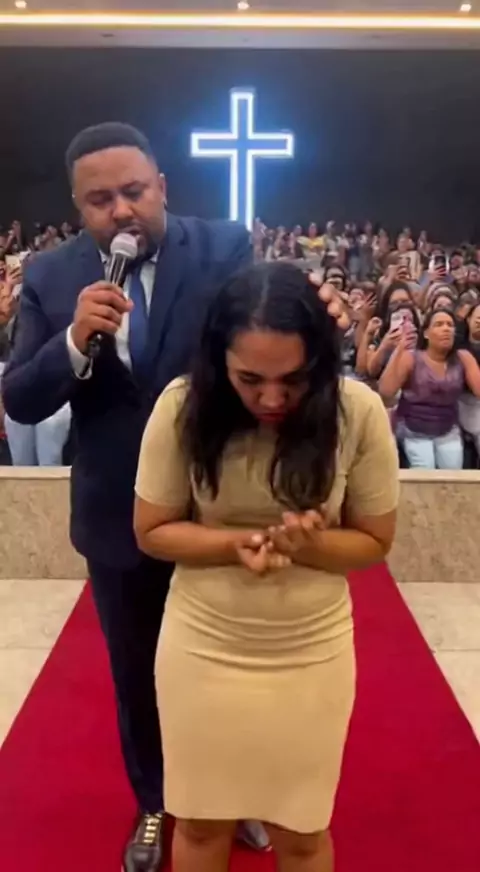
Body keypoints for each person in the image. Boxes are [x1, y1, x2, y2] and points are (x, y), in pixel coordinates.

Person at [1, 121, 260, 872]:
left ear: (162, 187)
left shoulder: (224, 248)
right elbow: (20, 399)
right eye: (100, 200)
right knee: (137, 674)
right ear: (78, 207)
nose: (121, 210)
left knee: (224, 667)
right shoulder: (52, 276)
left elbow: (255, 356)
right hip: (116, 514)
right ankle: (154, 801)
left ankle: (234, 794)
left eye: (134, 191)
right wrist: (72, 342)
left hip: (217, 507)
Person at [133, 261, 399, 872]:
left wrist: (304, 545)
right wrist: (240, 543)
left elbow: (375, 540)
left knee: (302, 831)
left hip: (311, 650)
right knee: (200, 825)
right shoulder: (182, 407)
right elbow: (151, 530)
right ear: (218, 361)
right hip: (203, 644)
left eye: (294, 379)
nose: (272, 399)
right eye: (249, 380)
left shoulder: (357, 412)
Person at [379, 308, 480, 469]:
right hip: (414, 430)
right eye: (439, 324)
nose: (446, 329)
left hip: (448, 429)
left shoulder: (463, 357)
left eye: (450, 325)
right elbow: (386, 392)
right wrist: (399, 350)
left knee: (453, 474)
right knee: (425, 469)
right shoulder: (411, 357)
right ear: (426, 333)